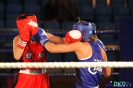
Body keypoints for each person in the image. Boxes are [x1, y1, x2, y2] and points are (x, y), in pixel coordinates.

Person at [34, 18, 111, 88]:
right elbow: (107, 73)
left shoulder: (80, 46)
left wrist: (43, 40)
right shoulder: (100, 47)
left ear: (83, 33)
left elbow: (52, 48)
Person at [12, 14, 65, 88]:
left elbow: (62, 41)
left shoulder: (43, 36)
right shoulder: (18, 39)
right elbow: (17, 56)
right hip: (26, 76)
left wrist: (74, 38)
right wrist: (24, 39)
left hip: (42, 76)